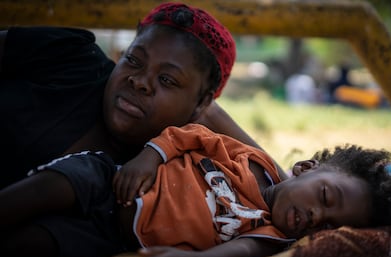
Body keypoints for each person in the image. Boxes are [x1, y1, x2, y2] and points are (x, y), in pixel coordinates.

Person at [1, 123, 391, 257]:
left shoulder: (270, 234)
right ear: (304, 169)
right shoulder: (252, 159)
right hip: (111, 180)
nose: (314, 216)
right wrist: (149, 157)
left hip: (113, 235)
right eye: (325, 196)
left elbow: (237, 254)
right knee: (45, 191)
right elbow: (190, 134)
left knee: (33, 244)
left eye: (326, 224)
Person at [0, 2, 287, 188]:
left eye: (166, 79)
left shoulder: (153, 180)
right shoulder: (71, 59)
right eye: (134, 60)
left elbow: (276, 190)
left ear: (201, 104)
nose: (139, 82)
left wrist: (284, 180)